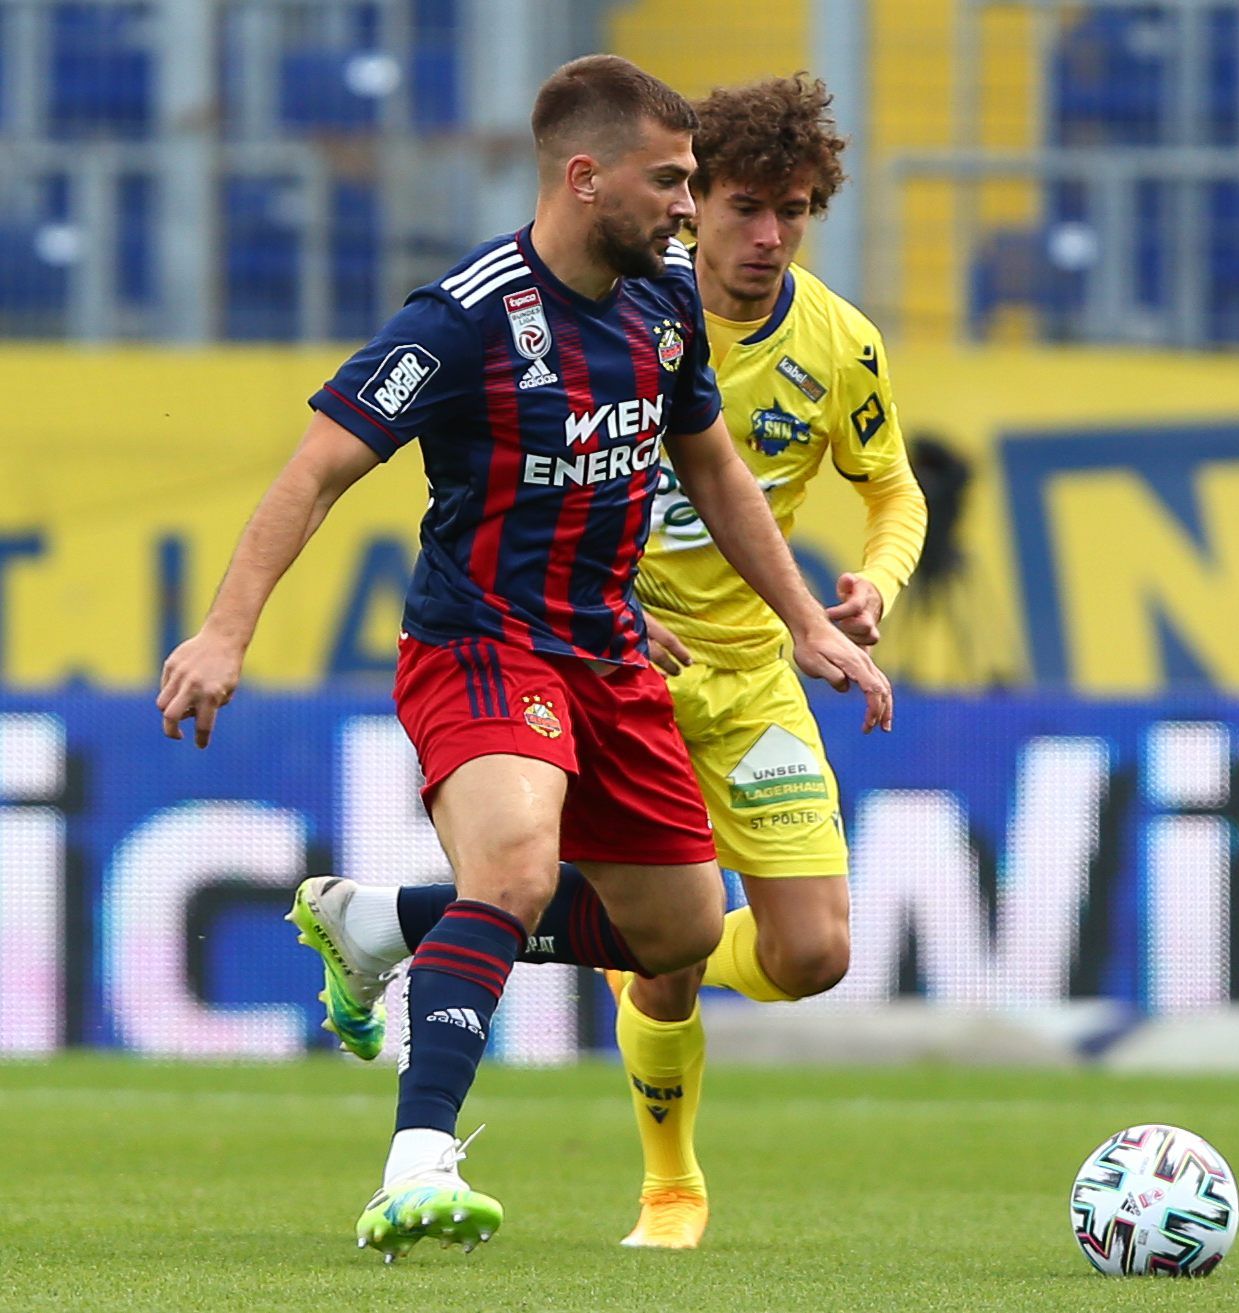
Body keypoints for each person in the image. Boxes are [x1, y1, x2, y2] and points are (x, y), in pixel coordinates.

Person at [156, 55, 892, 1263]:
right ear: (584, 176)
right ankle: (416, 1162)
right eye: (671, 182)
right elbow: (317, 470)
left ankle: (386, 925)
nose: (685, 207)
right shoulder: (460, 318)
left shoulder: (663, 313)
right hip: (481, 645)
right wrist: (225, 629)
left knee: (679, 935)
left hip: (608, 656)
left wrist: (806, 620)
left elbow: (707, 464)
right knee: (513, 865)